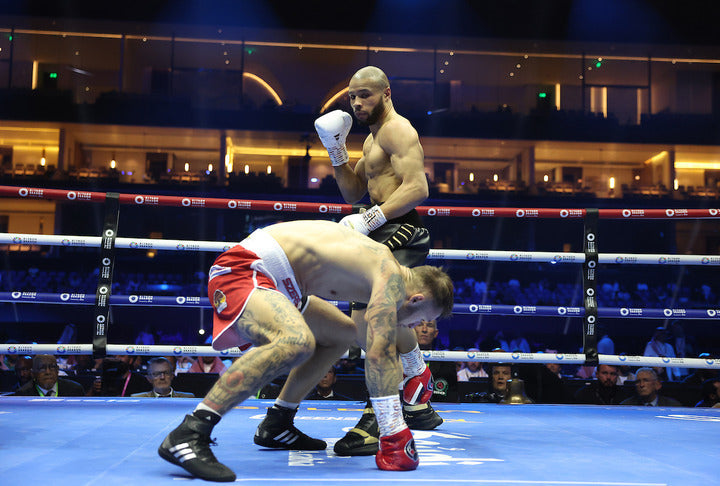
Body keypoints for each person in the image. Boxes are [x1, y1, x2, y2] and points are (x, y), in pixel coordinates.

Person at [157, 220, 454, 481]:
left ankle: (277, 422)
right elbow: (380, 353)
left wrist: (413, 368)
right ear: (416, 299)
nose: (418, 325)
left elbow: (371, 340)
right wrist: (393, 432)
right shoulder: (390, 278)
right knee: (295, 342)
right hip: (245, 269)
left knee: (343, 334)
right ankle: (191, 432)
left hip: (283, 286)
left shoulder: (382, 269)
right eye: (424, 318)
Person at [314, 65, 443, 457]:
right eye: (352, 97)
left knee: (371, 325)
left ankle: (379, 419)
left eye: (365, 95)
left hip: (402, 231)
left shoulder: (397, 130)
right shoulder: (371, 139)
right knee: (367, 324)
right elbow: (354, 192)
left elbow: (418, 187)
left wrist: (373, 217)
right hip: (381, 231)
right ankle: (416, 372)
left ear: (386, 92)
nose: (356, 103)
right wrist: (337, 154)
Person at [13, 355, 85, 397]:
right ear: (33, 373)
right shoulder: (23, 394)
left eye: (52, 367)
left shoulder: (75, 389)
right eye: (42, 368)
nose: (48, 372)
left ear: (57, 371)